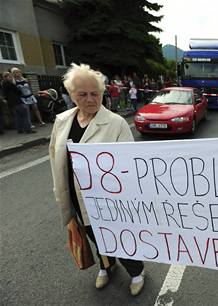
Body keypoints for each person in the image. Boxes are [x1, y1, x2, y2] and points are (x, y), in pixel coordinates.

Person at [49, 63, 145, 296]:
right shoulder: (62, 120)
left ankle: (136, 271)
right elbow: (55, 155)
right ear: (71, 94)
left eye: (96, 93)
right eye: (83, 94)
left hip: (109, 198)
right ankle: (106, 265)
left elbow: (128, 163)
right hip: (75, 194)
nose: (91, 99)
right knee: (94, 235)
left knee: (120, 237)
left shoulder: (116, 123)